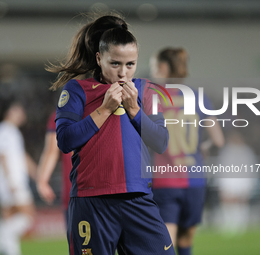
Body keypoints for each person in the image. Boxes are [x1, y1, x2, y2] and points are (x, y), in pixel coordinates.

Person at [47, 14, 175, 254]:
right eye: (115, 63)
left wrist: (135, 110)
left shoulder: (146, 91)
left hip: (138, 199)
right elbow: (64, 141)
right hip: (91, 202)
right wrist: (104, 109)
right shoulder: (77, 90)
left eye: (130, 64)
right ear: (99, 58)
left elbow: (161, 142)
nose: (123, 73)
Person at [150, 47, 225, 255]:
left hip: (165, 181)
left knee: (167, 241)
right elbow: (218, 140)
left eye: (154, 66)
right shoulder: (199, 97)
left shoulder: (153, 98)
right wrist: (203, 146)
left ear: (163, 68)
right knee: (186, 240)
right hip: (195, 180)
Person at [0, 99, 36, 255]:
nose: (22, 114)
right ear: (10, 111)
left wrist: (36, 173)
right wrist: (10, 181)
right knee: (28, 216)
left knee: (9, 217)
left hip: (11, 181)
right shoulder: (3, 130)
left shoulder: (13, 132)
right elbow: (2, 156)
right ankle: (1, 238)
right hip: (10, 182)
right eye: (19, 110)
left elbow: (21, 156)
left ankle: (5, 248)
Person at [36, 111, 72, 224]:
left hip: (75, 193)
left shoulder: (62, 113)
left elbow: (51, 151)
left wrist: (42, 181)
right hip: (111, 191)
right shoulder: (109, 106)